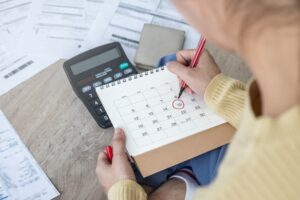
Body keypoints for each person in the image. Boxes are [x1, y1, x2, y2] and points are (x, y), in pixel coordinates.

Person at [96, 0, 300, 199]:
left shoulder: (246, 186)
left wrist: (121, 189)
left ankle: (180, 183)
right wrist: (220, 91)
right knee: (169, 66)